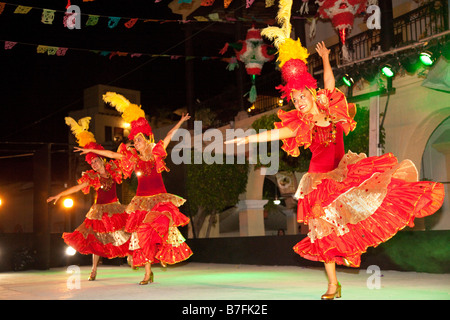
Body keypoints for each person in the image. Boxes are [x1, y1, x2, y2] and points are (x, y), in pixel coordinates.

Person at [227, 1, 445, 299]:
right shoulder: (300, 124)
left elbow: (330, 84)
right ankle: (332, 284)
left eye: (302, 95)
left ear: (309, 91)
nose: (299, 101)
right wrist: (244, 139)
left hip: (342, 172)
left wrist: (327, 59)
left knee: (371, 201)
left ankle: (354, 254)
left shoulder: (329, 107)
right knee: (321, 231)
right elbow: (274, 133)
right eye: (294, 98)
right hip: (318, 182)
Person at [75, 93, 193, 285]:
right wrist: (91, 151)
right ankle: (148, 273)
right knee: (141, 234)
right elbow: (112, 153)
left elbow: (170, 135)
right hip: (141, 201)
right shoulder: (133, 159)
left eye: (138, 140)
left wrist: (180, 122)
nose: (136, 144)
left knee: (162, 223)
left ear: (146, 140)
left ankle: (160, 251)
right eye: (135, 142)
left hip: (159, 198)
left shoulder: (156, 153)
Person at [47, 117, 130, 281]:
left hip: (114, 207)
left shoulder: (113, 168)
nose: (94, 163)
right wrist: (59, 194)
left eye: (96, 160)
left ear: (101, 160)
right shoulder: (92, 177)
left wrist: (126, 146)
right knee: (95, 239)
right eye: (91, 162)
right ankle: (93, 270)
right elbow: (77, 187)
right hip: (99, 210)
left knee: (124, 232)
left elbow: (118, 156)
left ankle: (130, 255)